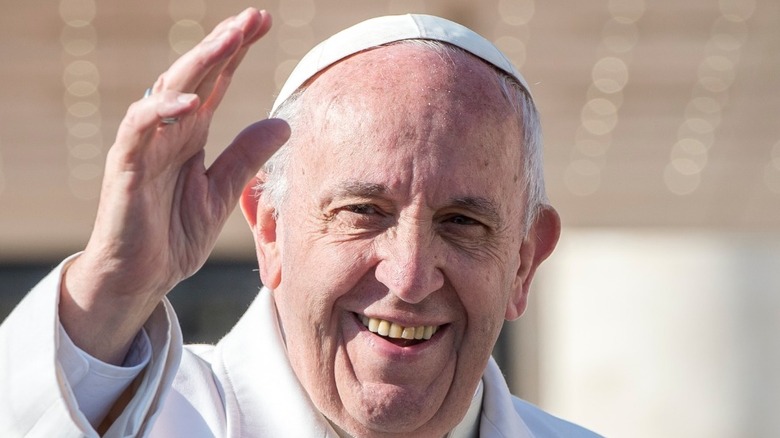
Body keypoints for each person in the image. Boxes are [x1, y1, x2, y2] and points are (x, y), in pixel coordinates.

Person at [0, 8, 601, 438]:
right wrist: (112, 289)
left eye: (462, 221)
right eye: (363, 212)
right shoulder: (142, 420)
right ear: (269, 230)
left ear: (523, 262)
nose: (411, 275)